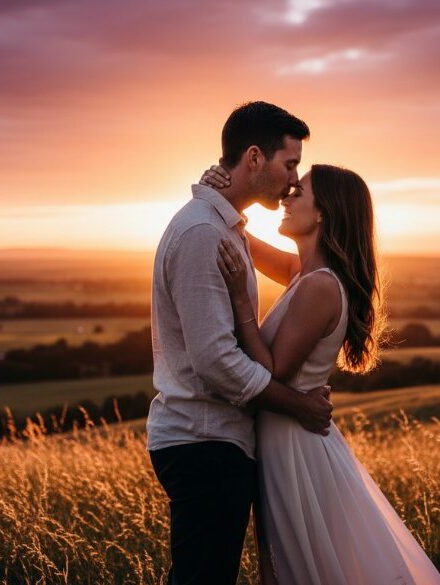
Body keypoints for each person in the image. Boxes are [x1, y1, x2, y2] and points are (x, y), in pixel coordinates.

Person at [201, 163, 440, 584]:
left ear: (322, 214)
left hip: (292, 444)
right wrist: (220, 199)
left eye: (299, 192)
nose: (286, 197)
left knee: (294, 567)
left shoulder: (319, 286)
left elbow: (272, 372)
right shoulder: (306, 275)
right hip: (286, 435)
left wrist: (244, 304)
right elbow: (239, 241)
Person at [146, 101, 334, 585]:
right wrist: (298, 404)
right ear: (254, 157)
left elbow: (296, 272)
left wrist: (228, 204)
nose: (293, 180)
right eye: (289, 164)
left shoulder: (218, 229)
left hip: (216, 442)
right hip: (204, 441)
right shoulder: (203, 234)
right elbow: (216, 363)